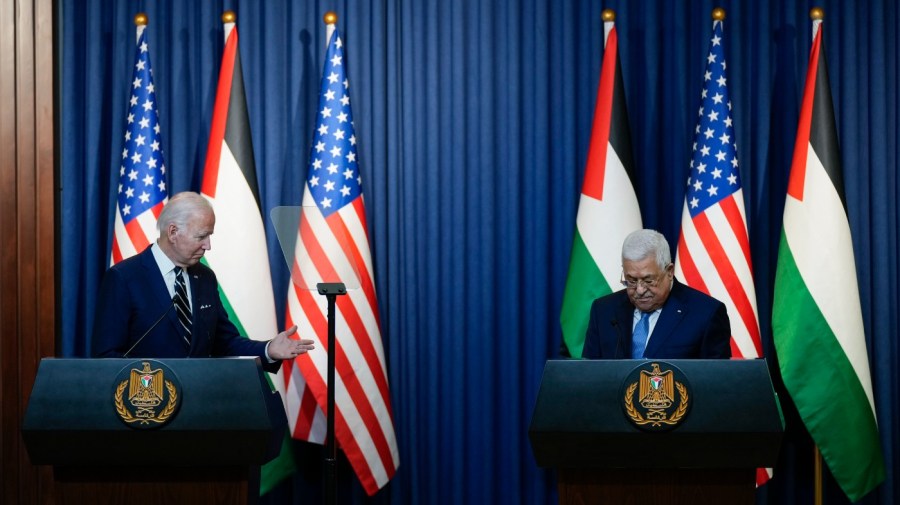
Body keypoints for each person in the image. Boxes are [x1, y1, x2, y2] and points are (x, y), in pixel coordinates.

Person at [92, 191, 313, 371]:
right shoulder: (124, 278)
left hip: (199, 408)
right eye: (201, 236)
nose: (208, 246)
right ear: (173, 232)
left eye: (210, 236)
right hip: (147, 408)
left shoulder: (205, 278)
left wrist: (268, 349)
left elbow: (224, 341)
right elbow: (106, 357)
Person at [581, 229, 731, 359]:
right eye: (631, 280)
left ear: (669, 272)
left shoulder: (706, 314)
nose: (639, 290)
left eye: (648, 280)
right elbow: (589, 376)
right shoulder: (603, 310)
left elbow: (715, 383)